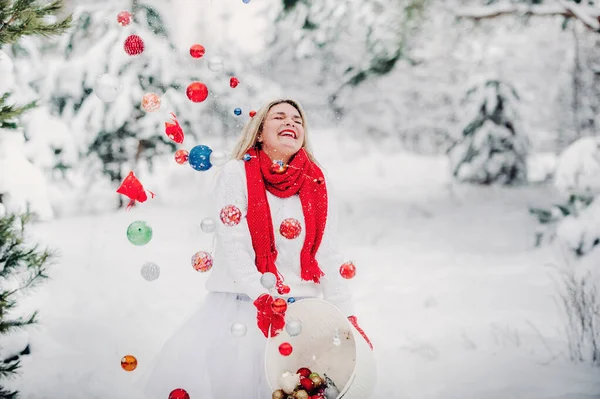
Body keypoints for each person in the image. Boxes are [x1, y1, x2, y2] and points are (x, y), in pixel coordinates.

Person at [138, 99, 372, 399]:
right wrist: (263, 298)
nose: (291, 123)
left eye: (297, 120)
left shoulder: (316, 181)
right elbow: (233, 243)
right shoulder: (236, 174)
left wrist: (347, 316)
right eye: (279, 117)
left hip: (302, 317)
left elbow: (327, 253)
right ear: (259, 132)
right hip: (242, 311)